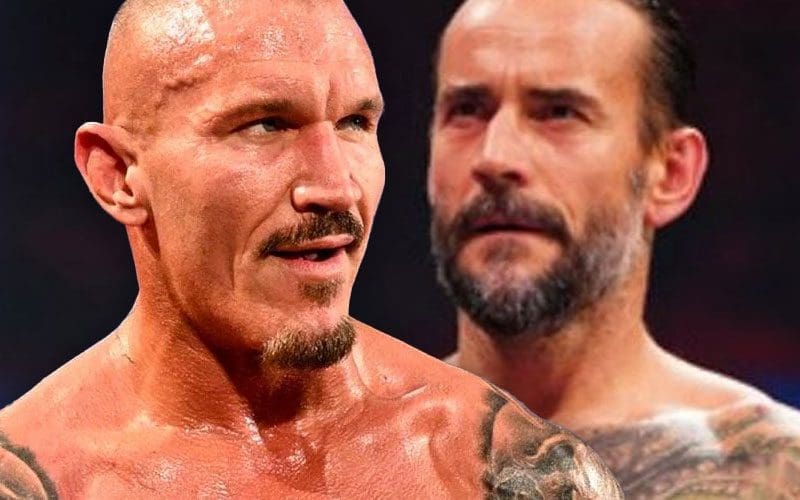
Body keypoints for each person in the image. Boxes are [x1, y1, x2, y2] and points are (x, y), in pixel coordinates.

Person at [0, 0, 624, 498]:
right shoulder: (39, 480)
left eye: (355, 124)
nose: (337, 187)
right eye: (266, 124)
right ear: (118, 176)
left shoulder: (502, 472)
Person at [429, 0, 800, 497]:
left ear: (670, 173)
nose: (495, 157)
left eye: (559, 113)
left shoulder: (774, 471)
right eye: (466, 111)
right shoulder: (342, 451)